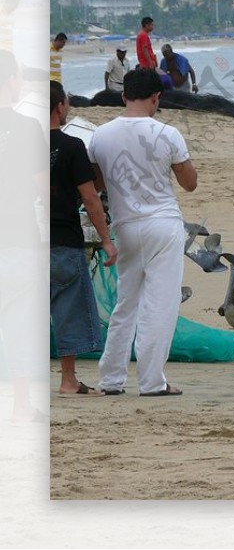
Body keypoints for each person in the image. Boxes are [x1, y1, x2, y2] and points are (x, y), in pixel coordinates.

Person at [88, 68, 197, 396]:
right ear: (156, 97)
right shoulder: (168, 133)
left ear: (123, 96)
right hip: (162, 223)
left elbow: (96, 183)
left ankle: (111, 378)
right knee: (160, 303)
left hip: (125, 224)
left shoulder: (101, 135)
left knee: (127, 303)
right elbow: (189, 183)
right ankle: (152, 381)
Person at [49, 80, 118, 397]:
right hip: (61, 238)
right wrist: (106, 239)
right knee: (69, 310)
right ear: (60, 107)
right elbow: (90, 198)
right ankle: (68, 380)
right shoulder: (71, 146)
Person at [1, 49, 49, 421]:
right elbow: (42, 187)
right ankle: (18, 405)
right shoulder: (26, 127)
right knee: (17, 322)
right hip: (17, 236)